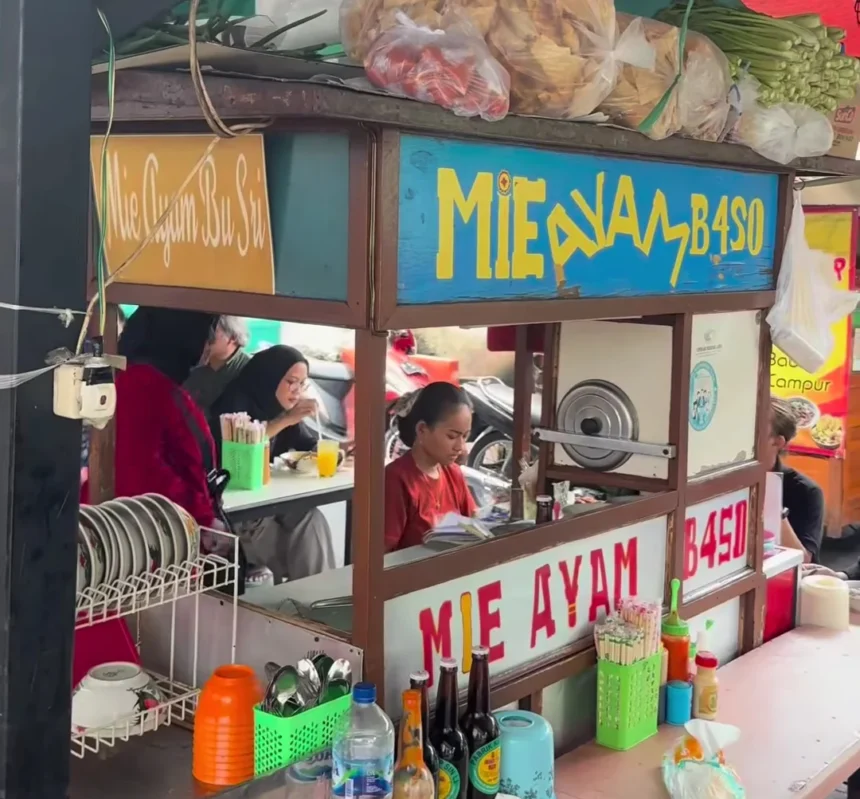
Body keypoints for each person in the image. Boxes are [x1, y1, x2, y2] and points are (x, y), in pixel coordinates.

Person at [209, 345, 336, 583]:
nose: (297, 391)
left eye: (302, 384)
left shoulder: (280, 408)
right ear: (270, 377)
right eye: (291, 382)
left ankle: (317, 592)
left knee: (311, 518)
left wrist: (341, 448)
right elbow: (242, 445)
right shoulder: (234, 406)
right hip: (237, 513)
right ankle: (311, 594)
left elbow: (307, 443)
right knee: (295, 547)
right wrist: (284, 420)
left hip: (270, 503)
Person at [384, 382, 476, 552]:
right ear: (422, 430)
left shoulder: (454, 474)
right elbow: (383, 555)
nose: (460, 447)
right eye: (452, 436)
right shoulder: (396, 479)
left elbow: (474, 526)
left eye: (465, 436)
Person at [768, 396, 825, 563]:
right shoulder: (730, 480)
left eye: (755, 429)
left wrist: (773, 508)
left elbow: (805, 560)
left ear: (778, 442)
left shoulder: (805, 491)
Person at [184, 315, 251, 413]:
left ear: (232, 337)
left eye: (212, 331)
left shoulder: (250, 370)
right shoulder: (196, 372)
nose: (205, 337)